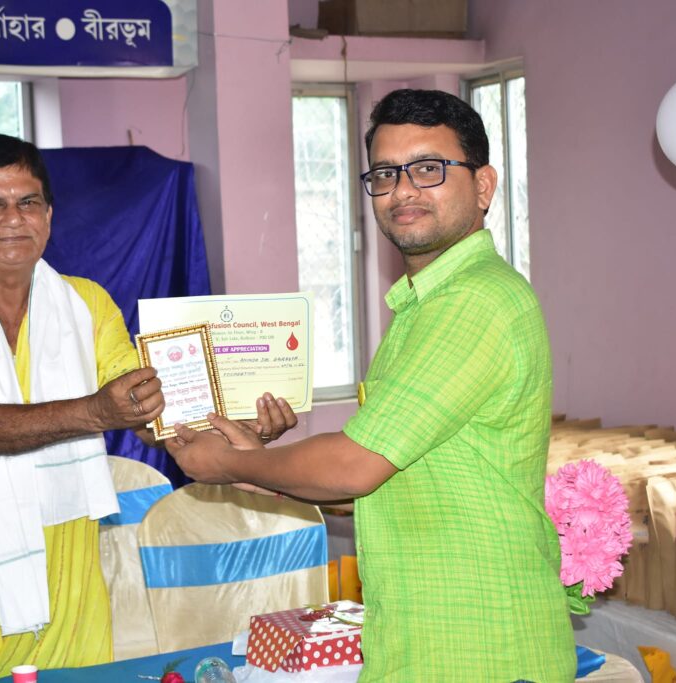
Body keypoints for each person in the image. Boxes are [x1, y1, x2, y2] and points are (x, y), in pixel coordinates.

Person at [167, 90, 576, 681]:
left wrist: (231, 464)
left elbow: (356, 465)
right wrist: (261, 464)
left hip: (482, 645)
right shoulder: (422, 307)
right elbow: (380, 478)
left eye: (428, 169)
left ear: (484, 186)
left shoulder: (474, 300)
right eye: (385, 174)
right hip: (421, 641)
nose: (403, 190)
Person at [0, 134, 295, 683]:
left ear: (49, 217)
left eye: (28, 202)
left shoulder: (86, 305)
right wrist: (98, 412)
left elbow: (148, 413)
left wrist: (234, 431)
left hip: (70, 592)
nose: (13, 219)